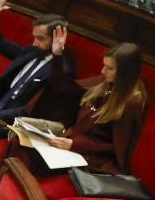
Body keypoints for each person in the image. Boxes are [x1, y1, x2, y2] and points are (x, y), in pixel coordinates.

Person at [0, 0, 81, 134]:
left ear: (57, 38)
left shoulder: (62, 70)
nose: (35, 43)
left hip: (16, 123)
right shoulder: (33, 51)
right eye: (34, 37)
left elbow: (33, 109)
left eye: (41, 39)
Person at [39, 42, 148, 175]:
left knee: (38, 163)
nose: (102, 71)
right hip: (71, 143)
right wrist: (57, 55)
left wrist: (75, 145)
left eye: (109, 68)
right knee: (26, 146)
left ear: (126, 72)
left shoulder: (131, 102)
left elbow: (118, 148)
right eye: (104, 65)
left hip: (91, 158)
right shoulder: (106, 83)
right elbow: (64, 87)